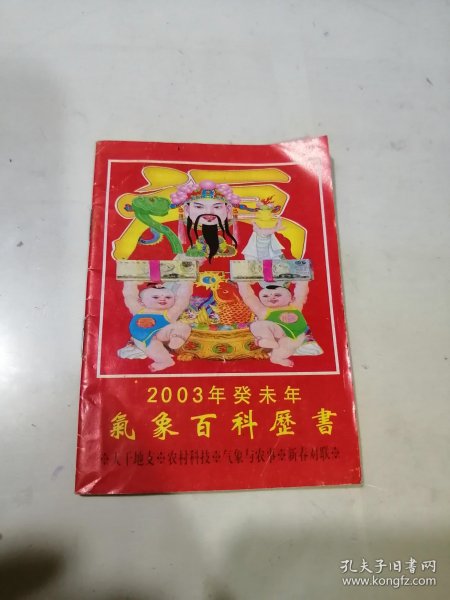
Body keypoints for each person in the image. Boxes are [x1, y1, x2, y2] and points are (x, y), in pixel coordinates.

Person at [122, 281, 193, 372]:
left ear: (174, 299)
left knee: (182, 326)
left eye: (168, 297)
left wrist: (187, 284)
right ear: (141, 301)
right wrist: (129, 283)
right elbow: (130, 295)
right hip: (142, 340)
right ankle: (166, 361)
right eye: (155, 297)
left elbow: (182, 299)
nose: (163, 299)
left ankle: (178, 338)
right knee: (155, 350)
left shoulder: (170, 313)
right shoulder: (138, 309)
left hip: (160, 333)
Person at [237, 281, 309, 367]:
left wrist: (302, 282)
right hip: (275, 332)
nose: (271, 297)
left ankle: (276, 358)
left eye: (277, 295)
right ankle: (268, 340)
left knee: (289, 343)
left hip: (293, 335)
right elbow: (248, 297)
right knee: (256, 325)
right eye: (265, 296)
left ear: (290, 298)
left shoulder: (295, 306)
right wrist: (243, 284)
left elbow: (301, 294)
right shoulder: (262, 310)